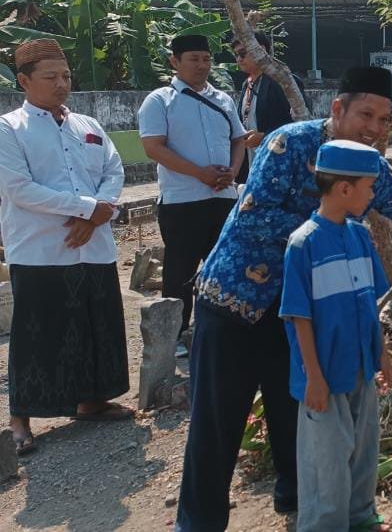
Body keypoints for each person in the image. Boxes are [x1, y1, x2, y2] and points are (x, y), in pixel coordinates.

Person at [175, 66, 392, 531]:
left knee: (295, 413)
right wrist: (329, 229)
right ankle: (198, 524)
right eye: (366, 114)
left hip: (299, 312)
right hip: (237, 301)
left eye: (384, 120)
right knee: (217, 423)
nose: (375, 128)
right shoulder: (289, 144)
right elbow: (254, 217)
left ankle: (298, 502)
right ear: (338, 109)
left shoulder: (368, 166)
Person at [0, 39, 132, 456]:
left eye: (66, 76)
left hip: (94, 247)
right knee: (37, 333)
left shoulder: (88, 125)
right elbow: (20, 189)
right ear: (24, 81)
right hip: (40, 249)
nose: (62, 84)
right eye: (50, 77)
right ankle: (20, 416)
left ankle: (91, 399)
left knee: (95, 326)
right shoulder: (9, 129)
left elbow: (114, 169)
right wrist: (88, 209)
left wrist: (98, 213)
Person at [279, 140, 392, 532]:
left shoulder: (360, 236)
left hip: (360, 366)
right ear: (345, 189)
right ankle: (324, 525)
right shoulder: (304, 244)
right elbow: (299, 318)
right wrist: (312, 375)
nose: (373, 194)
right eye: (369, 186)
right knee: (326, 461)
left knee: (363, 450)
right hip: (325, 376)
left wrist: (382, 354)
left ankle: (360, 516)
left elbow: (370, 305)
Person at [138, 34, 247, 354]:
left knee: (223, 265)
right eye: (194, 59)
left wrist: (232, 170)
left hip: (223, 197)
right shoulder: (159, 100)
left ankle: (218, 326)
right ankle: (176, 333)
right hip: (182, 200)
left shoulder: (223, 99)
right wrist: (199, 174)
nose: (202, 65)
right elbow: (153, 147)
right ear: (175, 61)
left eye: (206, 59)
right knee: (180, 269)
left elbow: (238, 139)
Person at [233, 32, 303, 184]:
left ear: (261, 50)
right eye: (236, 55)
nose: (239, 59)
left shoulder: (283, 80)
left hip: (280, 166)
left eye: (243, 54)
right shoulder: (247, 84)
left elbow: (299, 123)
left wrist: (265, 137)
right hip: (254, 167)